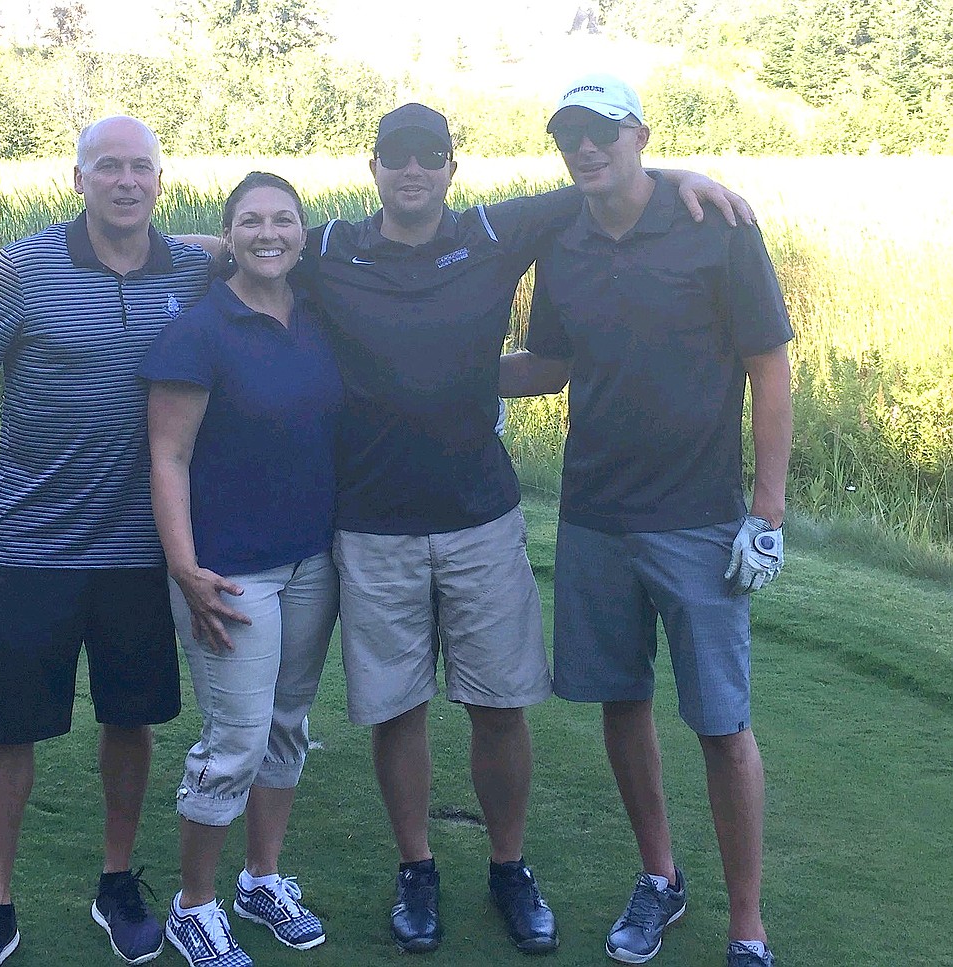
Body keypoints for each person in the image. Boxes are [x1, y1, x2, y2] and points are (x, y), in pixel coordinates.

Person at [288, 102, 756, 955]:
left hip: (481, 518)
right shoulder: (330, 248)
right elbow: (249, 245)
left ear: (452, 168)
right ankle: (417, 868)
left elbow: (609, 180)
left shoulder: (496, 229)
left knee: (500, 705)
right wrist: (152, 241)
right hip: (372, 525)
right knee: (398, 709)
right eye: (397, 156)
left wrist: (691, 176)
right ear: (374, 167)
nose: (413, 170)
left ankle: (509, 865)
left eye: (431, 155)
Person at [499, 74, 792, 967]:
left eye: (603, 131)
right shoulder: (565, 243)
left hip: (700, 520)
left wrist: (767, 512)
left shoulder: (718, 229)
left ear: (639, 135)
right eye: (568, 134)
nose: (585, 147)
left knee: (721, 723)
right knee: (621, 702)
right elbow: (548, 364)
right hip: (594, 516)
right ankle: (659, 878)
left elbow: (769, 368)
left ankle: (747, 923)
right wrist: (442, 369)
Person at [0, 115, 211, 967]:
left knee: (131, 718)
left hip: (142, 550)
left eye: (140, 168)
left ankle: (117, 884)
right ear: (76, 179)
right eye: (106, 167)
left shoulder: (189, 266)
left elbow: (263, 243)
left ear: (160, 179)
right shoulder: (28, 265)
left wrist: (220, 233)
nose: (124, 181)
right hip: (34, 547)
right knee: (8, 729)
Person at [141, 172, 343, 967]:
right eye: (251, 221)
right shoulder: (199, 329)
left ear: (302, 231)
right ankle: (195, 905)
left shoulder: (319, 315)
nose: (270, 233)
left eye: (284, 219)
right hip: (227, 571)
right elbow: (168, 456)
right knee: (236, 738)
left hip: (312, 560)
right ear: (228, 235)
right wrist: (184, 567)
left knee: (288, 726)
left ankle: (262, 879)